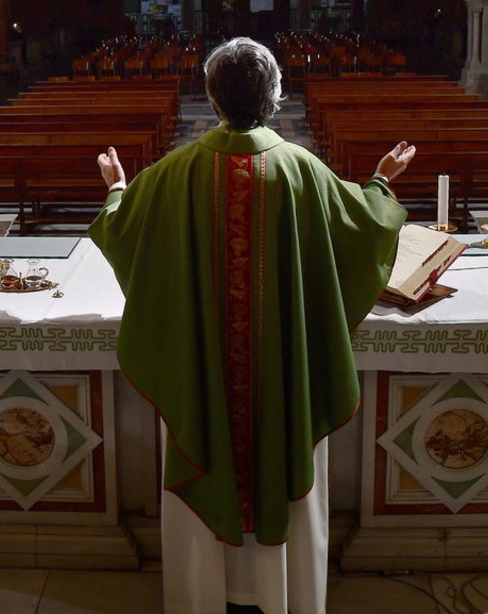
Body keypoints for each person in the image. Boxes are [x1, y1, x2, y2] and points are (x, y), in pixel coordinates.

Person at [88, 37, 415, 614]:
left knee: (203, 445)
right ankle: (283, 594)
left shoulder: (175, 171)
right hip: (280, 386)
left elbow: (121, 229)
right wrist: (383, 181)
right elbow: (364, 226)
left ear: (212, 96)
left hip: (201, 385)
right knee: (281, 446)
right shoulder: (299, 169)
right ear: (275, 96)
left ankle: (200, 597)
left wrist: (115, 187)